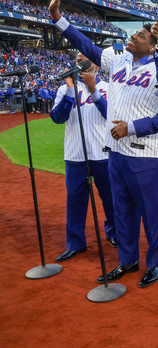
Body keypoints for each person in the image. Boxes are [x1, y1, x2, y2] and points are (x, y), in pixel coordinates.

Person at [49, 0, 158, 288]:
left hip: (143, 154)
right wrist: (58, 17)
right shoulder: (118, 60)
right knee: (122, 212)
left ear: (152, 45)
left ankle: (155, 263)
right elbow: (85, 44)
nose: (133, 36)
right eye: (135, 33)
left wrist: (130, 127)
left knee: (151, 213)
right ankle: (127, 261)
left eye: (141, 36)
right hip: (115, 152)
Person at [50, 53, 118, 262]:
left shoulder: (108, 87)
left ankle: (114, 233)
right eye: (78, 59)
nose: (81, 62)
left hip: (103, 153)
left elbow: (110, 115)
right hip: (75, 154)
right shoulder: (65, 89)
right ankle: (75, 243)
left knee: (110, 199)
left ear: (96, 65)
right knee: (75, 201)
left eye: (86, 58)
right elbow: (57, 118)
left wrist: (93, 89)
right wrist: (71, 91)